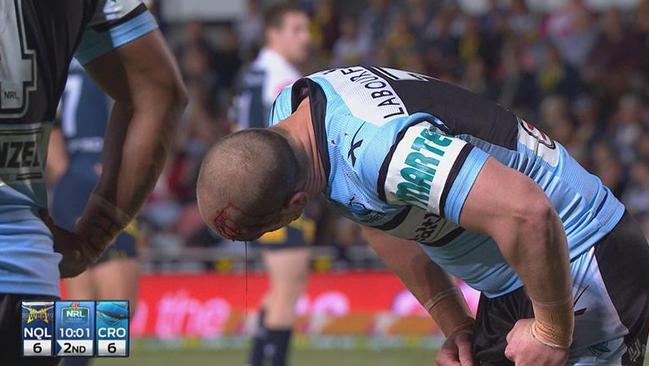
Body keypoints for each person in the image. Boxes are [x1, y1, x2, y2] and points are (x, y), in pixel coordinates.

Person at [197, 66, 649, 366]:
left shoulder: (384, 150)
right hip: (519, 275)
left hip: (582, 258)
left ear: (294, 204)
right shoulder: (293, 118)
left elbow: (528, 212)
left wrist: (552, 330)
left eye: (274, 225)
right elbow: (373, 211)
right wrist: (454, 321)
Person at [0, 0, 186, 364]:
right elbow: (161, 93)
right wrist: (96, 234)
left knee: (110, 319)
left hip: (64, 197)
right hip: (24, 272)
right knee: (115, 320)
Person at [231, 4, 312, 366]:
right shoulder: (278, 78)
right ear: (273, 34)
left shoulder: (256, 74)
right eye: (296, 29)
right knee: (287, 289)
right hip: (275, 193)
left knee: (278, 288)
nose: (305, 37)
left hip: (263, 191)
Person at [46, 62, 141, 366]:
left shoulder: (58, 60)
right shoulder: (101, 58)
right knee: (112, 309)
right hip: (92, 182)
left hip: (77, 185)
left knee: (85, 311)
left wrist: (67, 181)